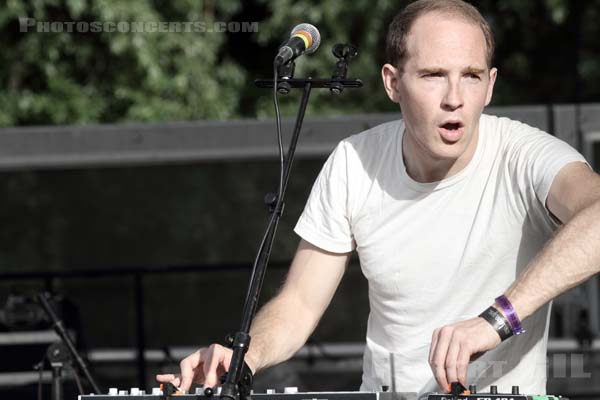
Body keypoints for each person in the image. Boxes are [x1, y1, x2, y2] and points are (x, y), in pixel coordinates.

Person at [158, 0, 600, 396]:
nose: (454, 99)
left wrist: (495, 321)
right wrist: (243, 362)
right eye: (432, 76)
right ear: (392, 82)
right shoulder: (354, 161)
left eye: (471, 76)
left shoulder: (526, 154)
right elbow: (299, 303)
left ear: (490, 85)